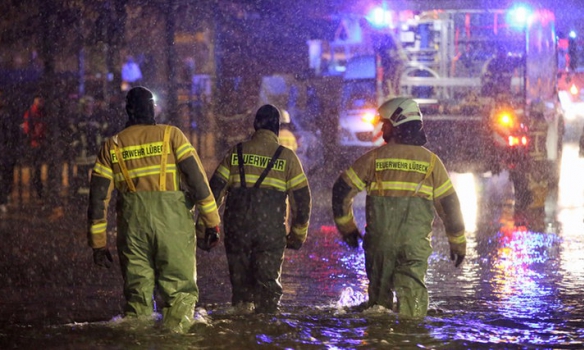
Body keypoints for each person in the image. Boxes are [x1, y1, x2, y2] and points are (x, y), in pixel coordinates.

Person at [87, 86, 221, 334]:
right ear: (152, 109)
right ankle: (176, 341)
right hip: (173, 227)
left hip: (132, 228)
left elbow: (98, 199)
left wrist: (98, 243)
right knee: (180, 294)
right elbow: (198, 182)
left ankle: (137, 340)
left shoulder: (112, 145)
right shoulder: (172, 135)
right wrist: (211, 222)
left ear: (128, 110)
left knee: (137, 300)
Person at [331, 97, 466, 317]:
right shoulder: (431, 163)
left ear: (396, 124)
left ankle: (379, 339)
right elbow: (450, 206)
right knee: (413, 310)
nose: (383, 129)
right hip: (413, 247)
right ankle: (410, 339)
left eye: (385, 124)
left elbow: (340, 191)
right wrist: (458, 243)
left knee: (378, 310)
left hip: (380, 245)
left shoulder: (374, 159)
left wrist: (347, 228)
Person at [206, 104, 311, 314]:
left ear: (255, 125)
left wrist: (208, 228)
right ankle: (266, 333)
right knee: (268, 293)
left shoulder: (236, 153)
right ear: (277, 128)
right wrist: (298, 235)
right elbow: (302, 199)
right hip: (270, 233)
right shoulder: (288, 158)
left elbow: (213, 192)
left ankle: (240, 335)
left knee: (241, 294)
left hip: (237, 230)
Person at [68, 96, 109, 199]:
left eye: (89, 105)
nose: (88, 107)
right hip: (82, 153)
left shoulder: (98, 119)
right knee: (82, 174)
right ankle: (83, 197)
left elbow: (104, 133)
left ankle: (97, 195)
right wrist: (77, 145)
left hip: (95, 151)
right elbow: (74, 135)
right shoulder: (78, 120)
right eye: (86, 105)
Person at [22, 94, 47, 200]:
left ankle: (39, 191)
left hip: (39, 143)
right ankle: (38, 192)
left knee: (38, 169)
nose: (41, 102)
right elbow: (27, 129)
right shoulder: (32, 113)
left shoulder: (40, 112)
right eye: (39, 100)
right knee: (37, 169)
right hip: (35, 144)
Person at [0, 89, 19, 213]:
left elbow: (12, 133)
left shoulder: (7, 114)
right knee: (5, 176)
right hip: (5, 151)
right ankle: (3, 200)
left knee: (7, 176)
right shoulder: (7, 114)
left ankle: (4, 199)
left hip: (6, 151)